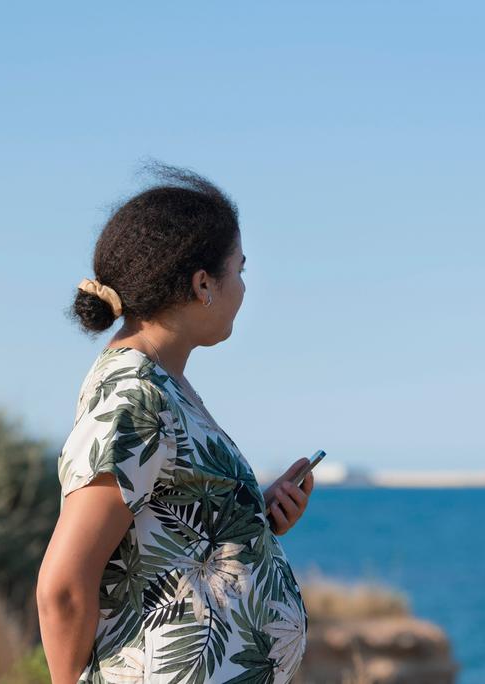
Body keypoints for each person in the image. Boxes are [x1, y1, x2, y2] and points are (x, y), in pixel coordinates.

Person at [36, 162, 315, 684]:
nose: (244, 288)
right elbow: (63, 585)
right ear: (203, 283)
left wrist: (252, 513)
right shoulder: (135, 395)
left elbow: (161, 526)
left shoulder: (164, 385)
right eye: (241, 269)